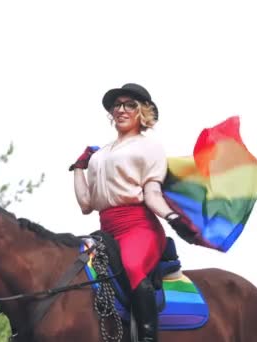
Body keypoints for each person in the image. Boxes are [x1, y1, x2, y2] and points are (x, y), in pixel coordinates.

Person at [69, 83, 192, 342]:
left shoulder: (149, 147)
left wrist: (172, 217)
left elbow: (152, 194)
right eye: (117, 105)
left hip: (139, 227)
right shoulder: (99, 155)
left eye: (129, 105)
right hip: (105, 231)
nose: (121, 110)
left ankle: (147, 338)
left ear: (142, 112)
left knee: (132, 267)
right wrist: (79, 168)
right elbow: (85, 205)